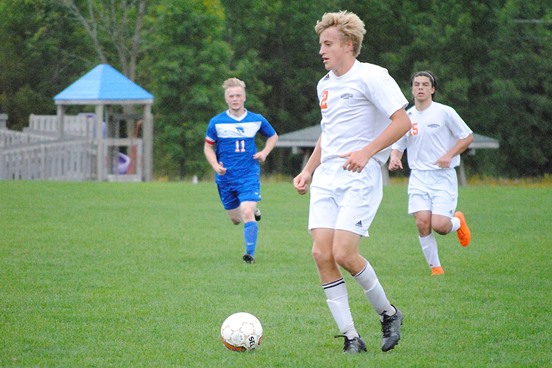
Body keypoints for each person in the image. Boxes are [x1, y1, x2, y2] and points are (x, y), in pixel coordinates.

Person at [293, 11, 411, 354]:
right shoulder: (324, 84)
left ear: (348, 45)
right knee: (321, 253)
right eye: (320, 44)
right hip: (326, 178)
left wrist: (368, 151)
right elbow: (328, 135)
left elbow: (402, 122)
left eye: (327, 44)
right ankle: (351, 338)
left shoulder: (373, 76)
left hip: (359, 176)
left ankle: (388, 313)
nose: (321, 51)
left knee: (344, 253)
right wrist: (309, 169)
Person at [388, 71, 473, 276]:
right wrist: (395, 157)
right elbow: (398, 144)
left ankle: (458, 222)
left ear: (432, 89)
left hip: (442, 176)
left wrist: (449, 154)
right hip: (418, 176)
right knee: (422, 222)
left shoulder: (445, 112)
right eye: (416, 84)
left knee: (440, 226)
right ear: (411, 89)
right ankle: (436, 268)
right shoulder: (407, 117)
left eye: (425, 84)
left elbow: (467, 137)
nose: (420, 88)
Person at [204, 77, 278, 264]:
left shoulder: (256, 119)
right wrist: (215, 166)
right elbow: (208, 147)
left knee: (246, 212)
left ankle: (249, 255)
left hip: (248, 174)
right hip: (226, 178)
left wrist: (264, 153)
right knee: (236, 219)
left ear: (244, 97)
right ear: (226, 99)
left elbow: (273, 136)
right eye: (231, 96)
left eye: (238, 95)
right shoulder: (217, 122)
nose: (235, 99)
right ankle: (254, 211)